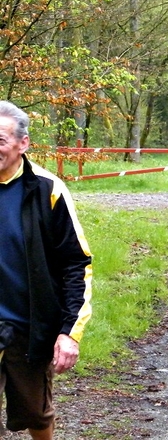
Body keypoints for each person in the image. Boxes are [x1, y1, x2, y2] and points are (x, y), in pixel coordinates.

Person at [0, 101, 92, 439]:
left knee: (36, 415)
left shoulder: (46, 190)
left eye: (0, 140)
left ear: (23, 144)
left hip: (29, 325)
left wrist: (69, 332)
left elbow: (76, 263)